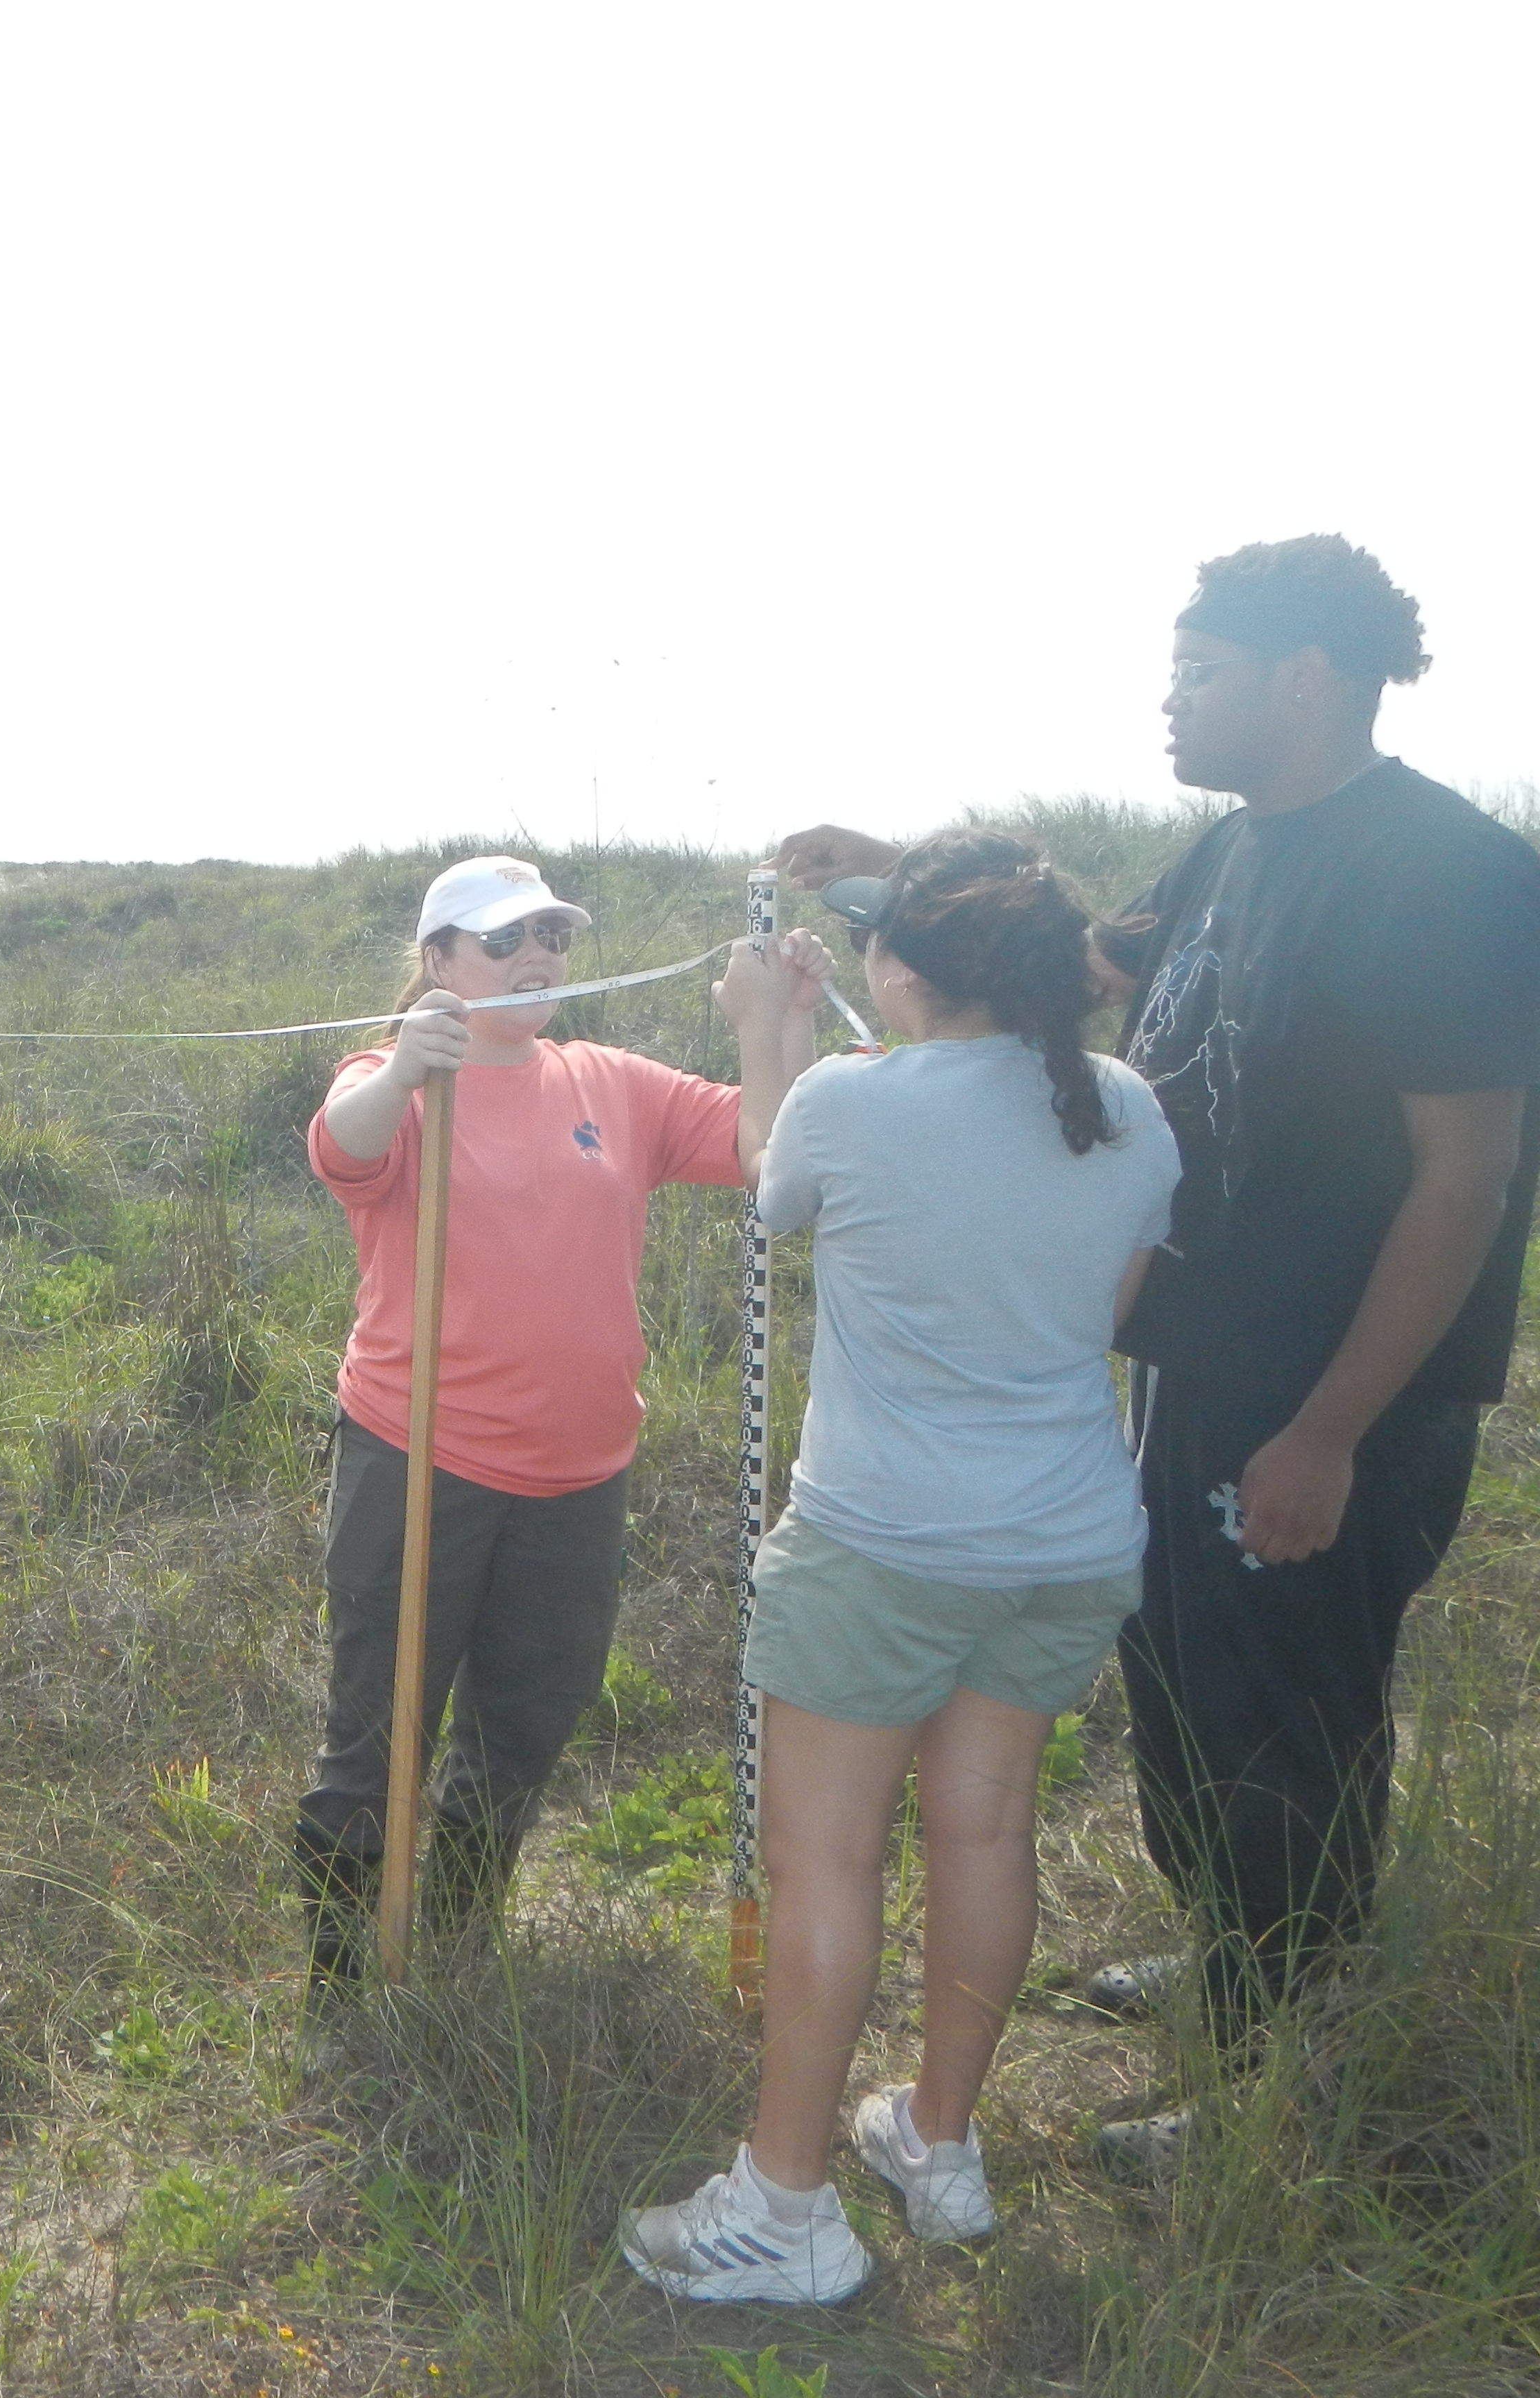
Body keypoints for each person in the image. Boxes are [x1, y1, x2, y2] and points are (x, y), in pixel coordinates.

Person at [774, 535, 1540, 2174]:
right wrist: (893, 883)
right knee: (1192, 1690)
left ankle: (1285, 2084)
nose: (1170, 700)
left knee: (1296, 1717)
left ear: (1304, 681)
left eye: (1198, 671)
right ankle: (1233, 1963)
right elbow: (1089, 966)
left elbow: (1464, 1180)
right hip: (1200, 1359)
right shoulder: (1238, 849)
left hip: (1332, 1396)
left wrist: (1333, 1430)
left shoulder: (1446, 873)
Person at [620, 835, 1181, 2303]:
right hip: (1064, 1540)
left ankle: (785, 2206)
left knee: (829, 1858)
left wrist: (764, 1033)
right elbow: (1107, 1312)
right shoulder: (1128, 1108)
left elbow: (766, 1186)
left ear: (900, 971)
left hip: (883, 1546)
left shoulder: (849, 1107)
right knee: (986, 1835)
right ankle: (938, 2143)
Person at [291, 856, 805, 2012]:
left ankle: (464, 1945)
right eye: (503, 940)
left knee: (527, 1723)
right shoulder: (396, 1076)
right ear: (438, 963)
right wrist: (409, 1070)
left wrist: (782, 1029)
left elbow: (773, 1153)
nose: (536, 958)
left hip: (581, 1474)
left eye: (552, 939)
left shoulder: (611, 1083)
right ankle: (341, 1985)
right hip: (418, 1459)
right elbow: (345, 1143)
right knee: (376, 1732)